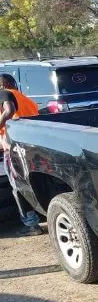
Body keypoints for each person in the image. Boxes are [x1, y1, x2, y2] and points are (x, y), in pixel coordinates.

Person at [0, 73, 44, 236]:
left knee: (17, 186)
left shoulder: (4, 94)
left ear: (3, 85)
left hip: (14, 148)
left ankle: (31, 224)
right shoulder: (28, 100)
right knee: (33, 183)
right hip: (32, 146)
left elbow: (9, 111)